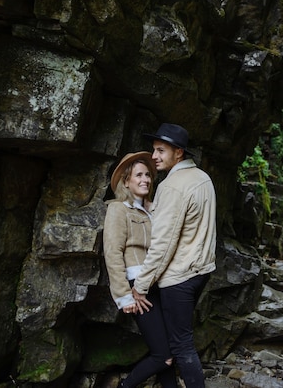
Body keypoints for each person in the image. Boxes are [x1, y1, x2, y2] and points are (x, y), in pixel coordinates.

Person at [132, 123, 217, 388]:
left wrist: (141, 286)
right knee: (172, 342)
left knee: (181, 346)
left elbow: (162, 244)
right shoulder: (202, 178)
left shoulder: (173, 186)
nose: (154, 156)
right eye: (154, 150)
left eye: (160, 150)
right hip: (201, 270)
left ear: (178, 152)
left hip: (178, 277)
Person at [103, 152, 178, 388]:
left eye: (148, 175)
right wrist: (125, 296)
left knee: (169, 350)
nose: (145, 179)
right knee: (163, 356)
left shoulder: (155, 210)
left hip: (161, 284)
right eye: (138, 175)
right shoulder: (118, 210)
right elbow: (113, 253)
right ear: (126, 181)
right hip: (138, 289)